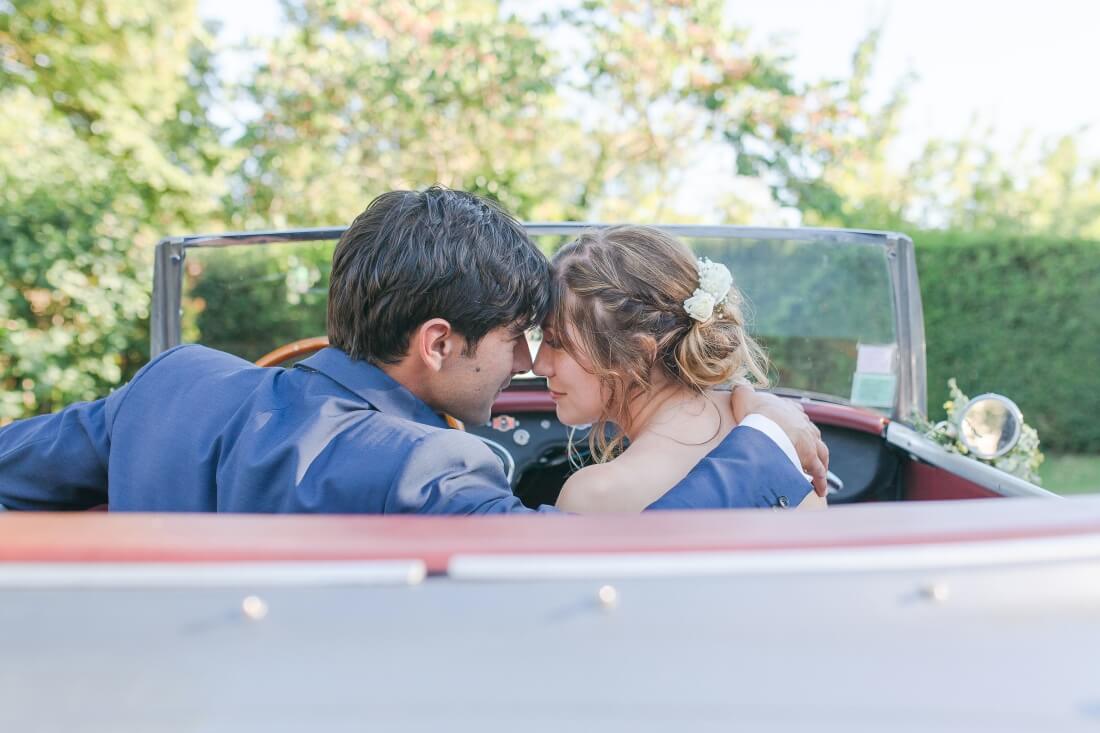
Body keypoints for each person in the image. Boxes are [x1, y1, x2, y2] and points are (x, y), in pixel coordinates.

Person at [0, 187, 827, 514]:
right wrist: (762, 435)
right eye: (515, 338)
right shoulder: (427, 470)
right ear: (438, 343)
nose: (528, 364)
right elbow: (604, 572)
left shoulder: (174, 383)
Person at [535, 225, 827, 512]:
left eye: (555, 342)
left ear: (638, 353)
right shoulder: (790, 437)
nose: (538, 365)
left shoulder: (595, 496)